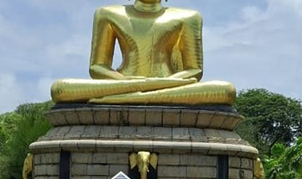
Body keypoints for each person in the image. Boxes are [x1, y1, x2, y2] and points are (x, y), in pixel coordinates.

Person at [50, 0, 236, 105]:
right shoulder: (107, 13)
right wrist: (127, 83)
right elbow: (97, 67)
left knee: (226, 91)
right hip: (123, 82)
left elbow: (194, 70)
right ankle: (137, 95)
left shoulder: (188, 18)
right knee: (60, 89)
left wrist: (161, 83)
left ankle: (129, 98)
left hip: (170, 85)